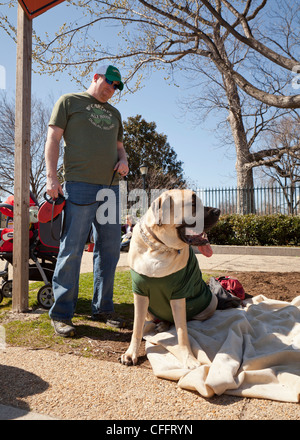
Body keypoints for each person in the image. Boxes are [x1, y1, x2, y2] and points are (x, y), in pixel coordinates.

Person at [45, 65, 129, 337]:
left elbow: (119, 148)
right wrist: (51, 177)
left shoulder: (115, 114)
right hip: (78, 186)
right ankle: (61, 314)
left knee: (109, 250)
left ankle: (103, 308)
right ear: (96, 77)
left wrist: (125, 160)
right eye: (109, 82)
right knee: (71, 250)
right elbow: (53, 138)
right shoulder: (69, 102)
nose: (112, 89)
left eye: (117, 86)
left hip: (109, 189)